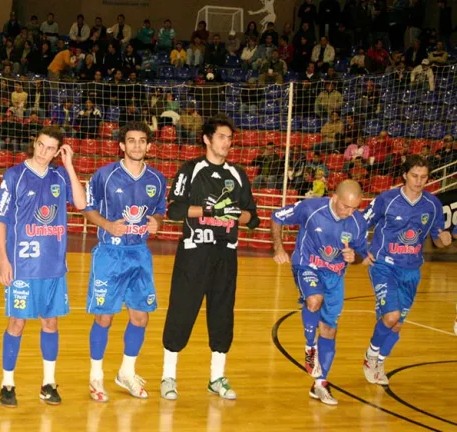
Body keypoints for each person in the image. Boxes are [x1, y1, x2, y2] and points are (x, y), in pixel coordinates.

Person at [160, 114, 259, 401]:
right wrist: (209, 211)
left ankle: (216, 377)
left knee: (222, 315)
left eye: (230, 138)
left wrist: (235, 213)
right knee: (181, 312)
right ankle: (169, 376)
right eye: (221, 137)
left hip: (225, 256)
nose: (227, 142)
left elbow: (252, 217)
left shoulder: (238, 174)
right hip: (194, 253)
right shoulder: (191, 170)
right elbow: (174, 211)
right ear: (207, 139)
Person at [0, 126, 86, 407]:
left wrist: (69, 165)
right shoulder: (14, 175)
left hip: (53, 266)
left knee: (51, 322)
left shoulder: (60, 175)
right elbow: (1, 220)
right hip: (22, 265)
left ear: (57, 151)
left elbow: (82, 203)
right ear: (33, 143)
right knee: (17, 323)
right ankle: (7, 383)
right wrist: (2, 259)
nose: (44, 152)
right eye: (41, 145)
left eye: (51, 148)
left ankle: (48, 383)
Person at [83, 121, 166, 402]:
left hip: (139, 253)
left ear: (149, 146)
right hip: (110, 254)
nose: (137, 146)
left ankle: (127, 372)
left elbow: (160, 213)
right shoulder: (104, 175)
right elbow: (87, 208)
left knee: (140, 317)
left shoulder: (157, 179)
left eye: (142, 141)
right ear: (122, 145)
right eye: (131, 141)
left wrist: (157, 222)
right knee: (105, 316)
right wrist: (107, 224)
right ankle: (96, 376)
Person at [271, 180, 369, 405]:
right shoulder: (311, 207)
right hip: (307, 265)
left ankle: (320, 385)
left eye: (355, 208)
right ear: (334, 197)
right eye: (345, 206)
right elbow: (276, 216)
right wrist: (278, 247)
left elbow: (364, 255)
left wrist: (355, 258)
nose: (349, 212)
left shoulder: (358, 222)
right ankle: (309, 347)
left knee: (328, 330)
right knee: (314, 300)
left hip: (335, 276)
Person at [361, 156, 452, 385]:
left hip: (411, 270)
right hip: (384, 265)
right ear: (404, 175)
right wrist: (362, 249)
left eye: (423, 177)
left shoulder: (432, 205)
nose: (419, 181)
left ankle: (380, 360)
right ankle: (370, 356)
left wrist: (443, 240)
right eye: (414, 176)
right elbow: (361, 223)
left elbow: (438, 239)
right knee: (390, 316)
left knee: (398, 322)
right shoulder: (387, 199)